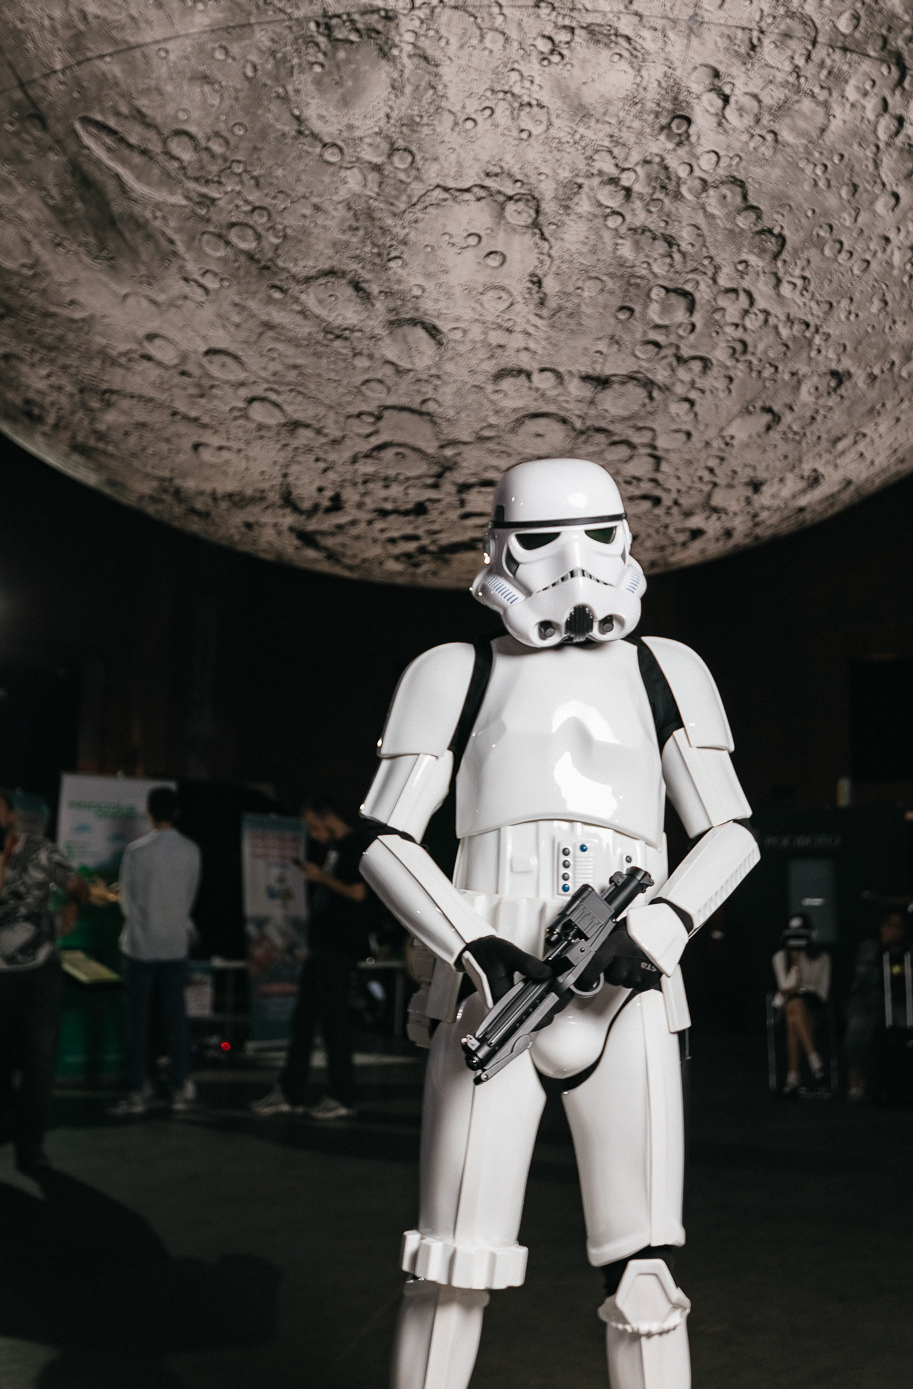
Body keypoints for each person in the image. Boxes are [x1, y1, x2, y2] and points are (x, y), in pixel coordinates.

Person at [358, 458, 760, 1389]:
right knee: (451, 1266)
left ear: (624, 538)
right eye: (538, 539)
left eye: (592, 535)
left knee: (645, 1275)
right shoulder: (451, 673)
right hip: (488, 993)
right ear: (498, 544)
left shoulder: (665, 670)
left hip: (625, 998)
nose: (568, 565)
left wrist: (657, 927)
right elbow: (383, 837)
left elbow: (730, 833)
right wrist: (468, 943)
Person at [0, 788, 104, 1173]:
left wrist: (73, 902)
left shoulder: (41, 850)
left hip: (39, 972)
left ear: (11, 818)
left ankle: (31, 1148)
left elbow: (75, 883)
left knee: (39, 1060)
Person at [251, 797, 371, 1120]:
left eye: (315, 827)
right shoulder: (333, 849)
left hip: (339, 948)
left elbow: (359, 893)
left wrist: (321, 878)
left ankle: (342, 1095)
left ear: (329, 816)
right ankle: (291, 1091)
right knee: (304, 1021)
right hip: (322, 946)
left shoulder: (355, 846)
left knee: (334, 1024)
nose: (314, 835)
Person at [109, 787, 202, 1117]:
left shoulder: (136, 851)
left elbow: (126, 902)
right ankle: (180, 1087)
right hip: (174, 946)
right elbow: (190, 897)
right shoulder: (192, 850)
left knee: (138, 1022)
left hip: (139, 947)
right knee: (177, 1021)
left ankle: (139, 1089)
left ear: (149, 812)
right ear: (176, 813)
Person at [844, 906, 913, 1100]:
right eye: (891, 926)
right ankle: (859, 1074)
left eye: (899, 926)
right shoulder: (869, 947)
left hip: (904, 1001)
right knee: (857, 1032)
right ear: (882, 928)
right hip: (870, 1002)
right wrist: (897, 970)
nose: (895, 930)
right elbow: (864, 976)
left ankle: (904, 1081)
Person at [770, 913, 831, 1095]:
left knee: (793, 1016)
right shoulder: (780, 957)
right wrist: (795, 964)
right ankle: (816, 1064)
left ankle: (792, 1079)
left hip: (813, 1010)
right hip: (787, 1008)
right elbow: (784, 987)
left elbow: (822, 992)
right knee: (794, 1008)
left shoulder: (822, 958)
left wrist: (797, 992)